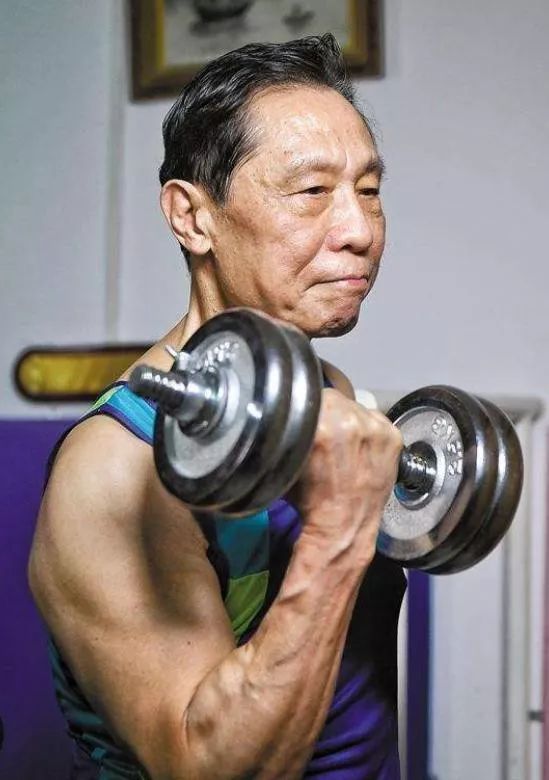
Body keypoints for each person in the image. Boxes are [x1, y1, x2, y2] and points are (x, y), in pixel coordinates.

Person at [29, 34, 406, 779]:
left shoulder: (323, 388)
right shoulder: (115, 471)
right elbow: (205, 766)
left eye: (368, 190)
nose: (360, 230)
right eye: (312, 191)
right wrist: (339, 530)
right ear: (191, 217)